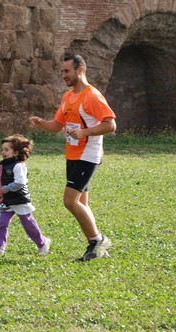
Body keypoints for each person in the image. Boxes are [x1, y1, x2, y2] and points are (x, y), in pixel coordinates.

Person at [29, 54, 116, 261]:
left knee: (70, 201)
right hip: (73, 154)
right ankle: (97, 248)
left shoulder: (92, 96)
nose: (63, 75)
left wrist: (85, 133)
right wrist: (42, 123)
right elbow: (57, 126)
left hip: (88, 155)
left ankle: (98, 240)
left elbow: (110, 125)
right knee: (82, 204)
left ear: (80, 70)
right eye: (62, 71)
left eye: (66, 71)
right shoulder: (68, 96)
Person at [0, 134, 51, 256]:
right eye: (2, 150)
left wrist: (6, 188)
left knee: (28, 225)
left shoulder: (18, 165)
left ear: (16, 152)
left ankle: (43, 243)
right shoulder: (4, 164)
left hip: (19, 200)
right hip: (8, 200)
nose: (3, 152)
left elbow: (20, 182)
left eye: (7, 150)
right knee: (2, 222)